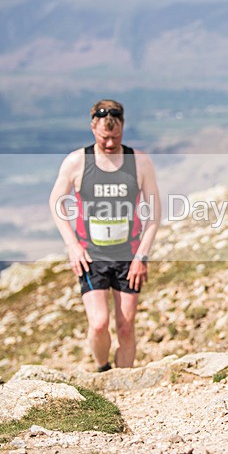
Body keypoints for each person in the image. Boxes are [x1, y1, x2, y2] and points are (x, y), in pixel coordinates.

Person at [49, 99, 161, 372]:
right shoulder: (77, 162)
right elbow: (55, 202)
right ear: (92, 129)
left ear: (123, 127)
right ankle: (102, 369)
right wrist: (72, 246)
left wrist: (141, 256)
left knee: (125, 326)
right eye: (104, 137)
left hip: (128, 256)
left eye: (116, 137)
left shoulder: (140, 162)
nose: (110, 143)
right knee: (99, 323)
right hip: (91, 255)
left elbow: (154, 214)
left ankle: (124, 383)